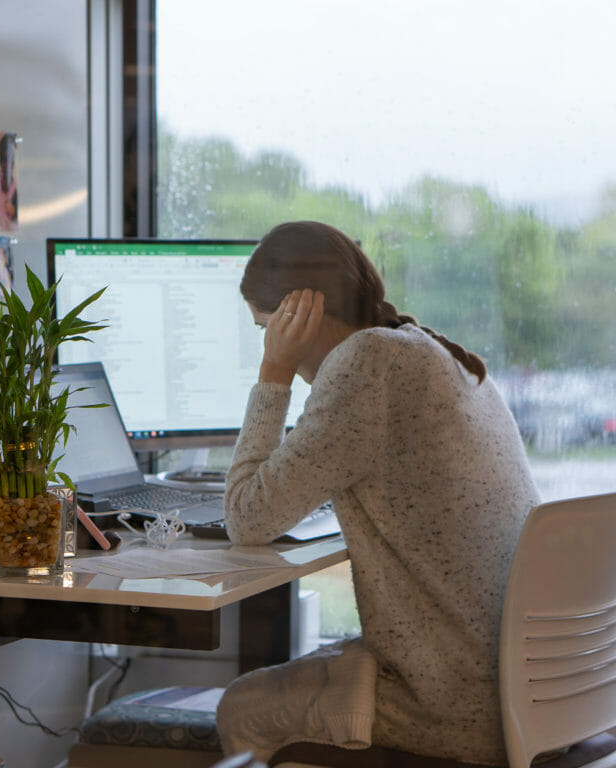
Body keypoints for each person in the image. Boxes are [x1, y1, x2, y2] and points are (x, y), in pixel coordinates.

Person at [216, 220, 540, 765]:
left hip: (454, 711)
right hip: (525, 694)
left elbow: (246, 518)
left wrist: (274, 369)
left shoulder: (367, 364)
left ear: (298, 314)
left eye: (265, 328)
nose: (270, 344)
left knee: (240, 708)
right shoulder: (428, 349)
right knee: (323, 663)